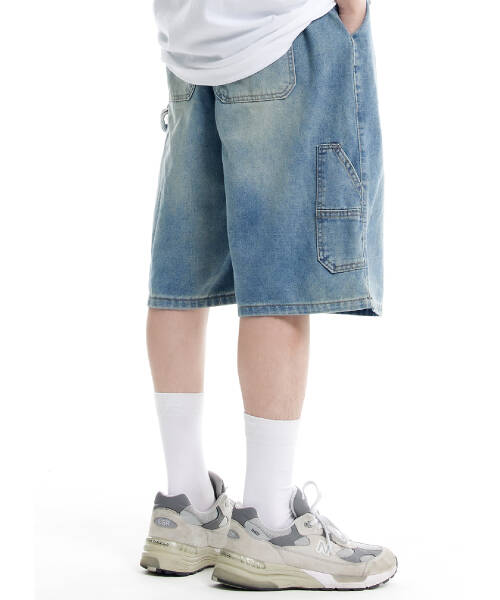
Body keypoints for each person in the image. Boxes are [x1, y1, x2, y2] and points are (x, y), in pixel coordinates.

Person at [140, 0, 397, 590]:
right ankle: (270, 522)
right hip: (283, 33)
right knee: (280, 282)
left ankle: (184, 506)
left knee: (181, 277)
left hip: (190, 44)